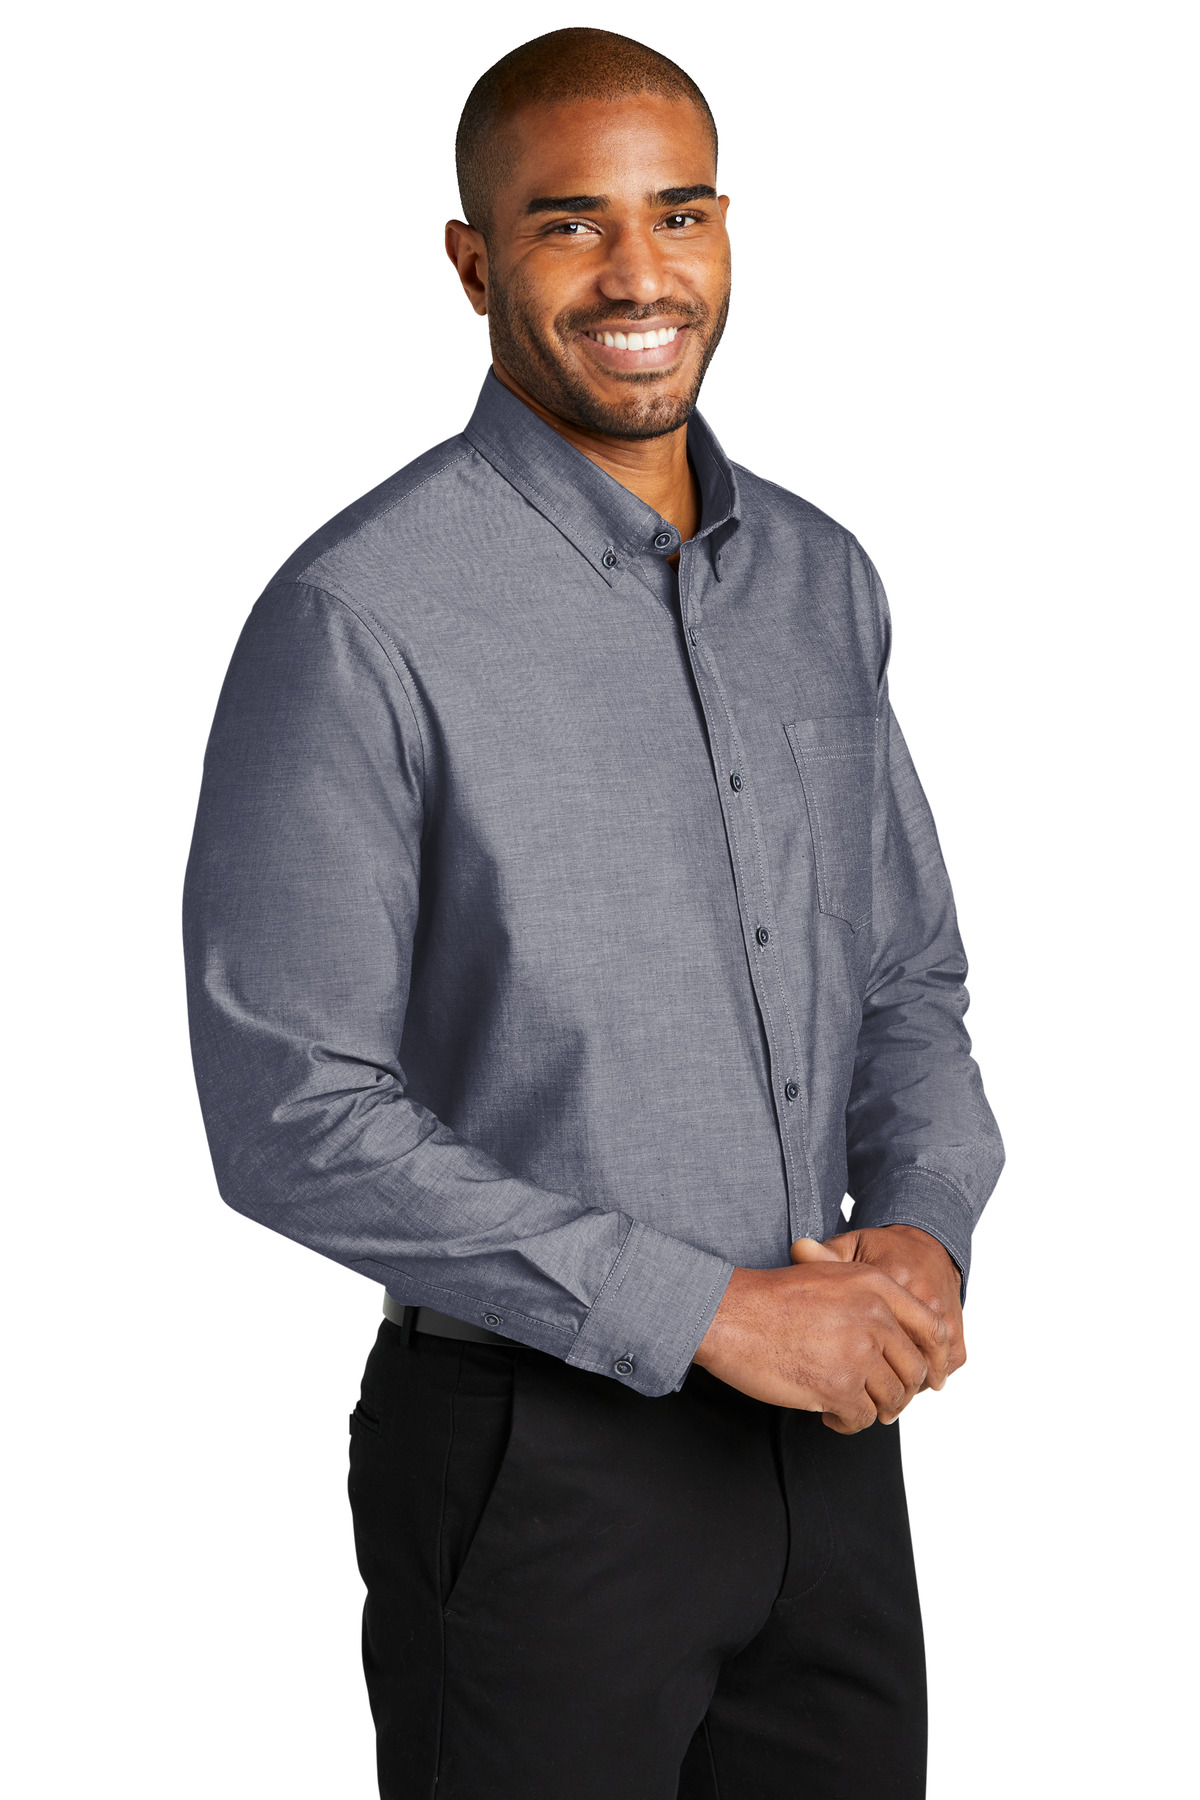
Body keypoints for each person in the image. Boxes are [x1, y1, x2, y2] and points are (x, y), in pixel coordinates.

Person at [183, 27, 1004, 1799]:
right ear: (474, 261)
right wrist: (704, 1312)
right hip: (537, 1471)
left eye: (679, 213)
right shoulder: (362, 617)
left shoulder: (821, 578)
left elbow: (905, 978)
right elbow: (288, 1112)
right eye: (571, 224)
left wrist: (922, 1231)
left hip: (832, 1466)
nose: (641, 275)